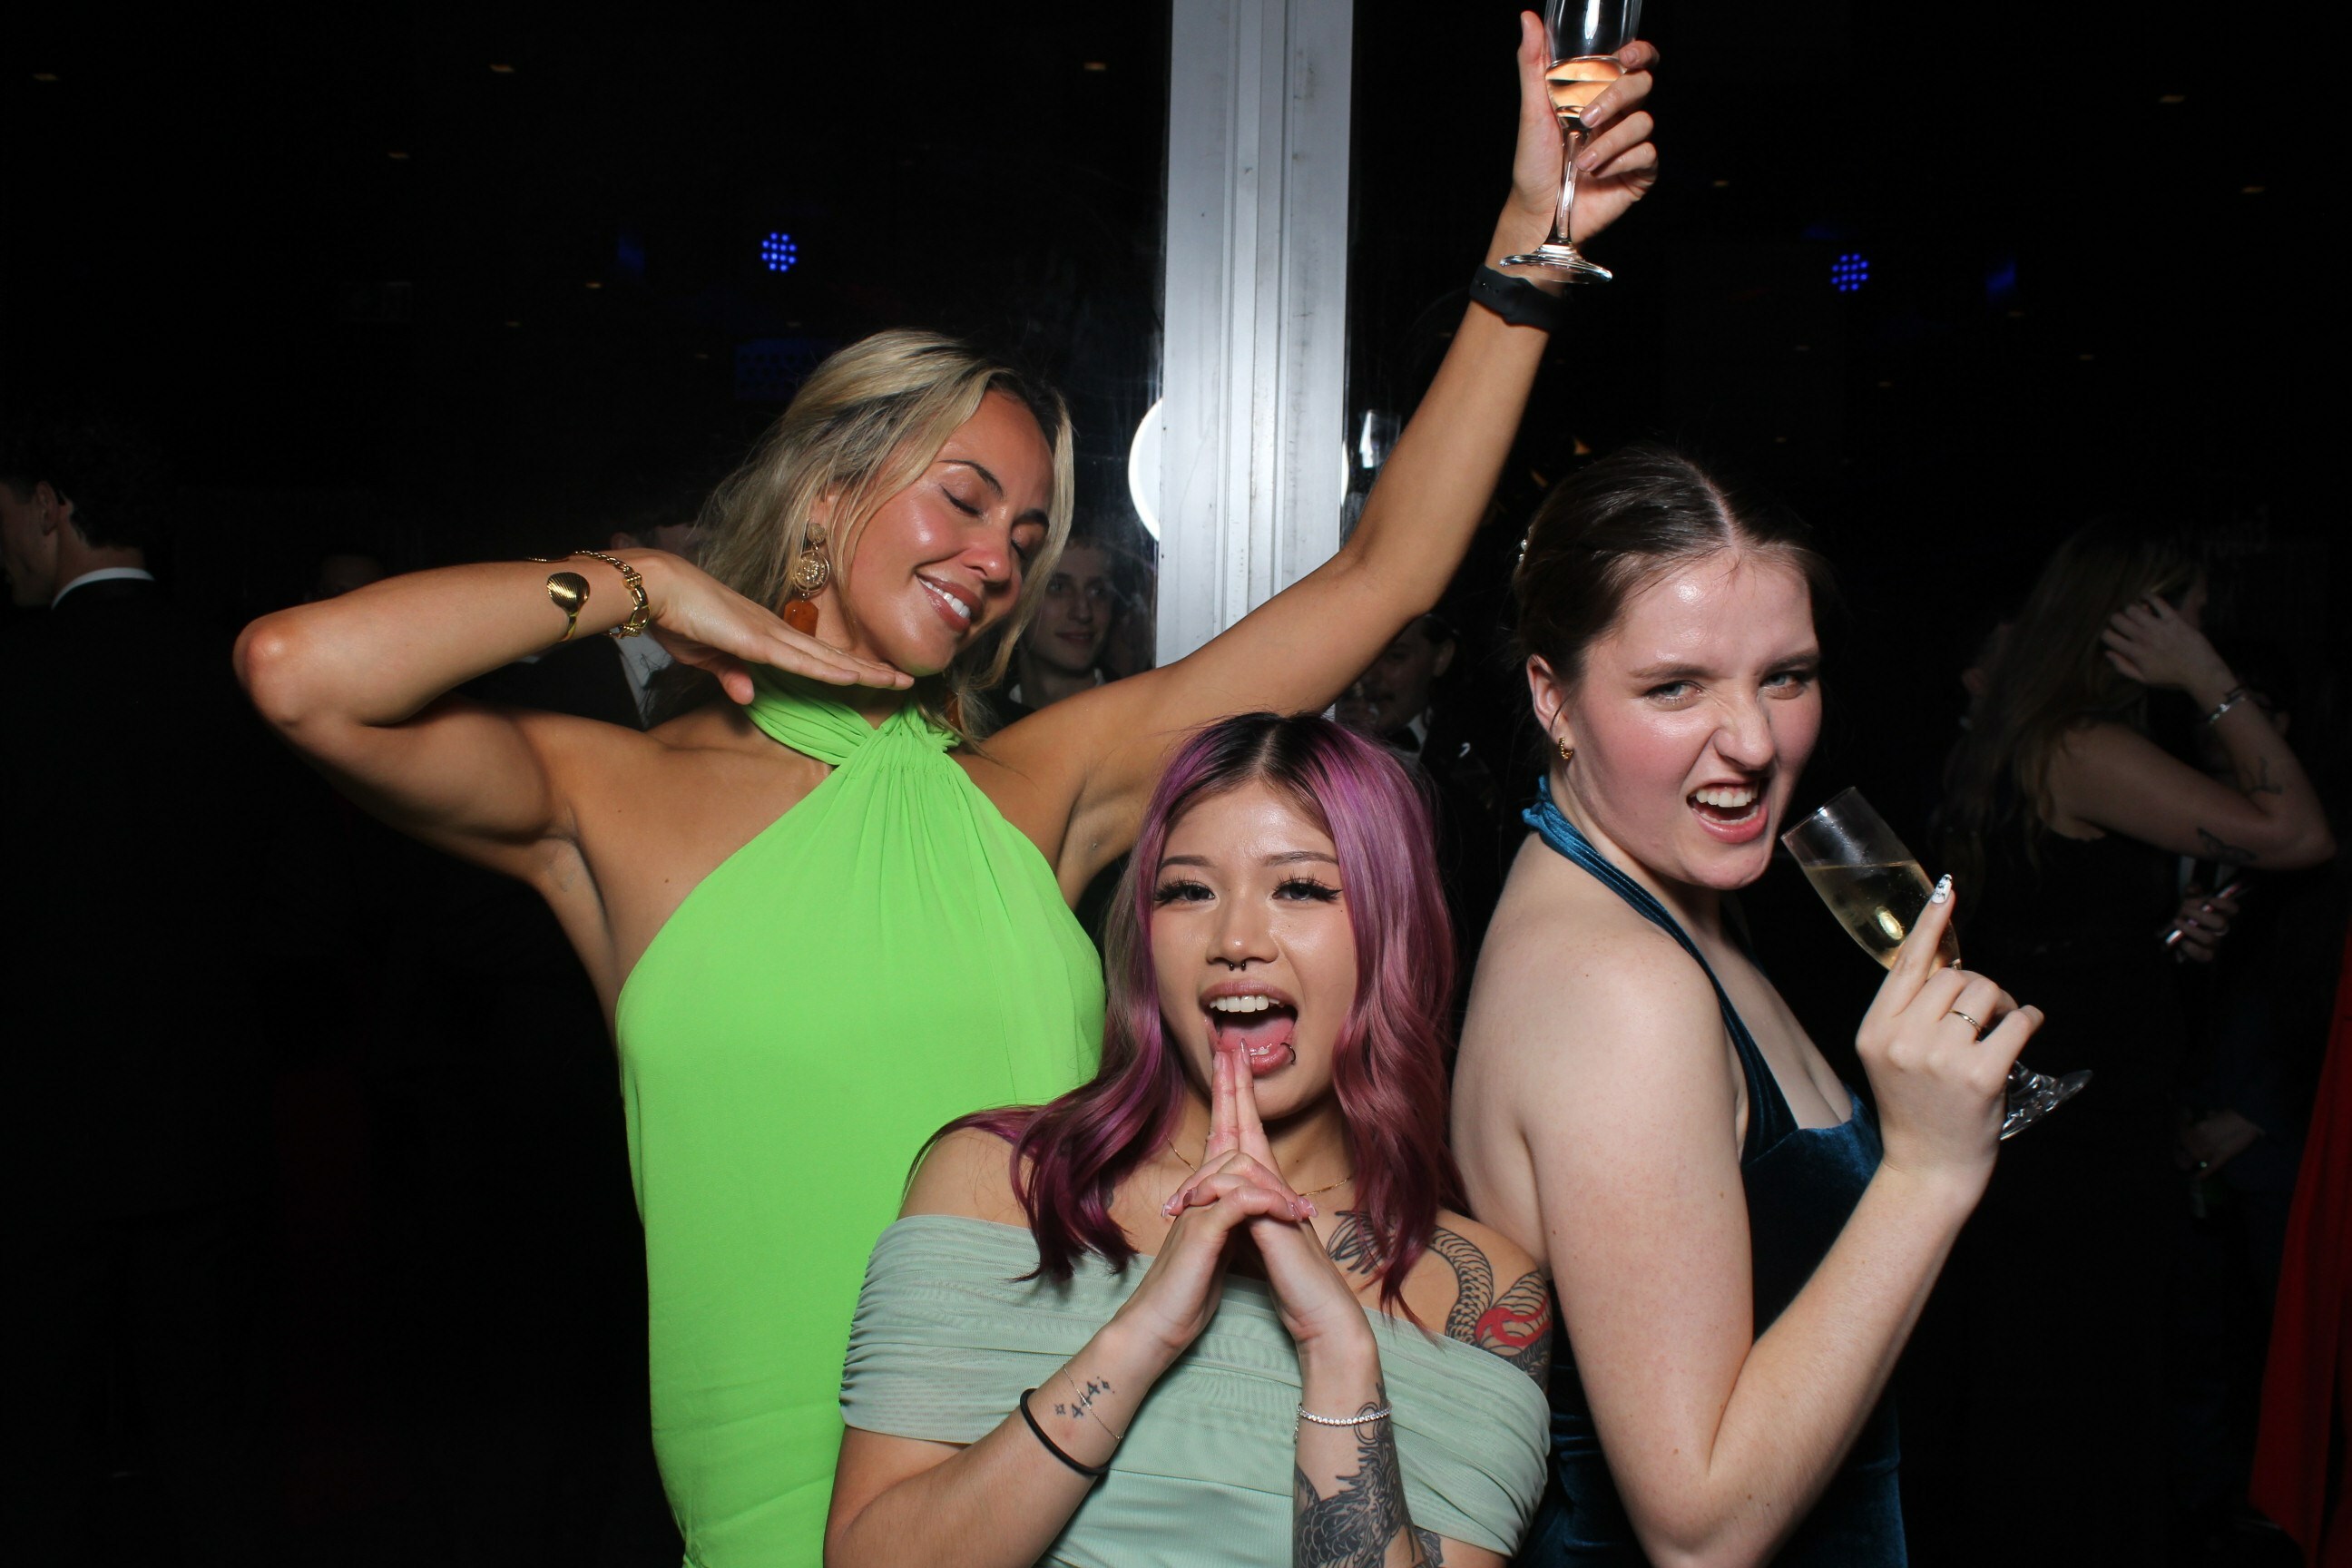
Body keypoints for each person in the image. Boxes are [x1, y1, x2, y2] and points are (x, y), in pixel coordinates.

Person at [231, 23, 1661, 1563]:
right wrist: (642, 585)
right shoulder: (611, 796)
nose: (994, 560)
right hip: (772, 1506)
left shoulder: (1032, 784)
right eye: (963, 500)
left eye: (1027, 536)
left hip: (1050, 1480)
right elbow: (297, 669)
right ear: (828, 492)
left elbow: (1384, 575)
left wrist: (1528, 254)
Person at [1450, 446, 2043, 1567]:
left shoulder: (1671, 892)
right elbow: (1700, 1528)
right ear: (1552, 697)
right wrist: (1925, 1171)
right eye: (1676, 687)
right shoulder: (1621, 989)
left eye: (1786, 676)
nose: (1757, 743)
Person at [828, 714, 1553, 1567]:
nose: (1236, 941)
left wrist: (1339, 1355)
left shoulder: (1480, 1290)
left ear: (1393, 931)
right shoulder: (999, 1186)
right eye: (1188, 892)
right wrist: (1141, 1338)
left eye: (1301, 889)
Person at [1908, 518, 2336, 1567]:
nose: (2200, 632)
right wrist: (2210, 679)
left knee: (2053, 1407)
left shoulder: (2029, 737)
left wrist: (2149, 942)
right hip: (2083, 1144)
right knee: (2081, 1421)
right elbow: (2298, 832)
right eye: (2186, 615)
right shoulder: (2082, 745)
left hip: (2056, 1125)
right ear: (2129, 622)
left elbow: (2037, 931)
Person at [2, 417, 279, 1565]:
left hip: (39, 1132)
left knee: (35, 1445)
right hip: (209, 1122)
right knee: (206, 1439)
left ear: (51, 507)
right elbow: (300, 908)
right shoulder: (240, 670)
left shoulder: (22, 678)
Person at [994, 529, 1119, 721]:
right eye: (1058, 587)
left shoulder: (1135, 720)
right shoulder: (977, 724)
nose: (1083, 612)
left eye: (1098, 591)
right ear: (1018, 598)